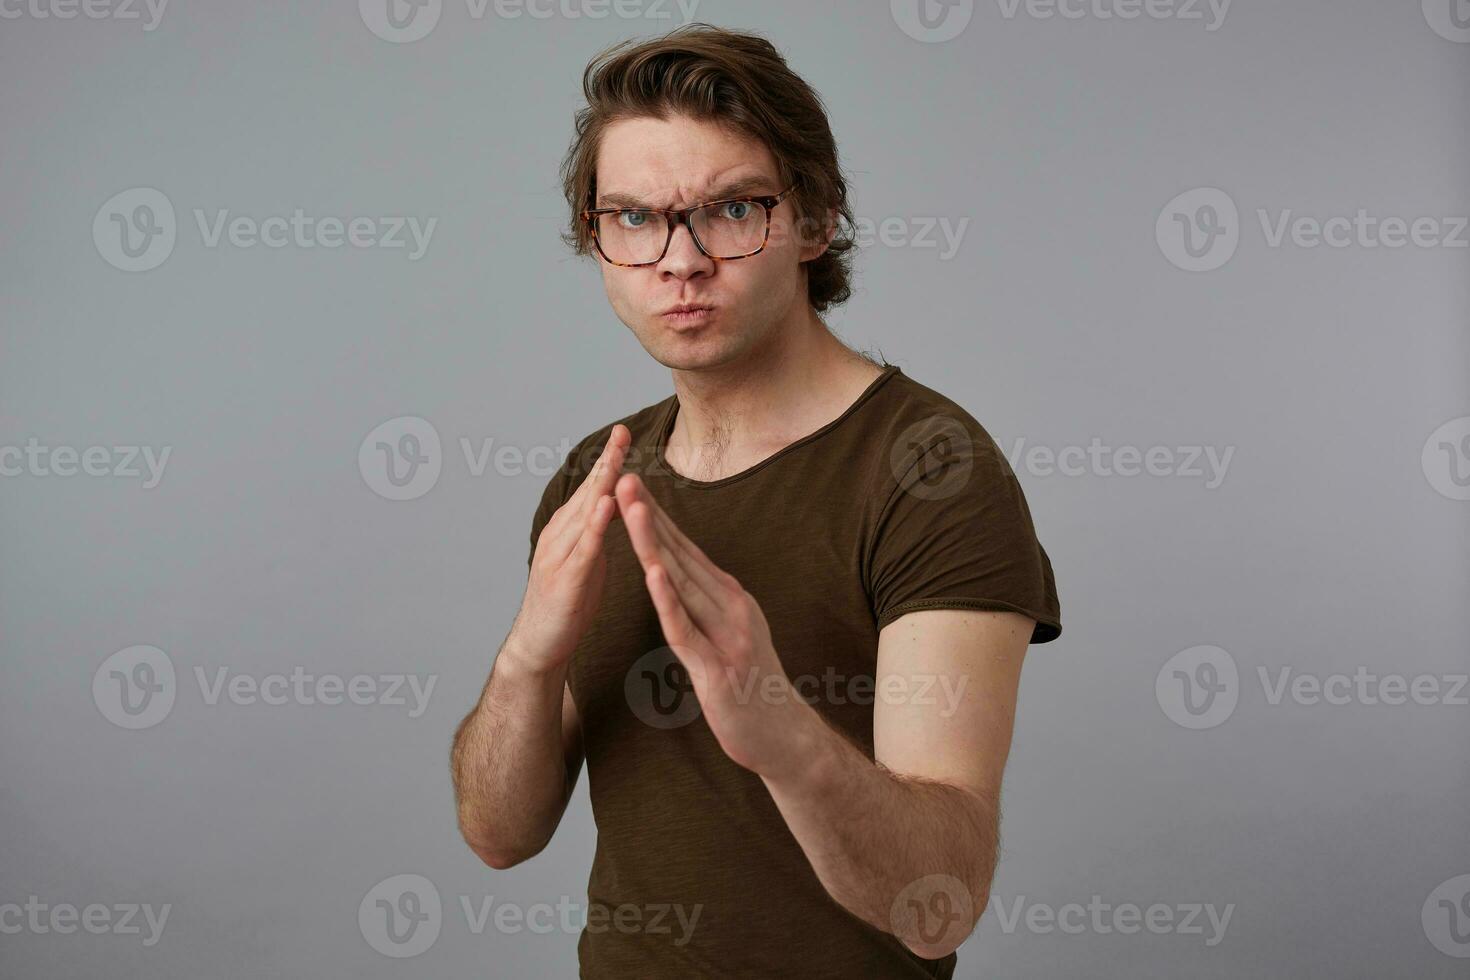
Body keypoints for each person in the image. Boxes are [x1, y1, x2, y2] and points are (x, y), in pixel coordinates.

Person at [451, 23, 1061, 979]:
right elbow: (496, 836)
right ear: (597, 239)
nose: (680, 260)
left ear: (814, 223)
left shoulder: (932, 470)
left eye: (732, 211)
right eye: (635, 217)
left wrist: (779, 729)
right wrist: (527, 661)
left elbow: (941, 903)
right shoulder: (594, 477)